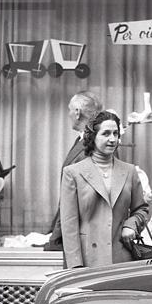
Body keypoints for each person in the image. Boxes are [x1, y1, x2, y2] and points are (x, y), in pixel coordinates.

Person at [60, 111, 148, 268]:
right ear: (93, 137)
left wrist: (131, 225)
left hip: (121, 259)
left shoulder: (129, 171)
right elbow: (68, 225)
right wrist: (75, 267)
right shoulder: (73, 173)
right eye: (106, 133)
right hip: (88, 260)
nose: (112, 139)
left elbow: (141, 209)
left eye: (115, 133)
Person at [45, 91, 104, 253]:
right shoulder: (85, 140)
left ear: (77, 112)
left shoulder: (94, 144)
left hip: (85, 241)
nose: (69, 114)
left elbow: (77, 199)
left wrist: (58, 236)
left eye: (70, 109)